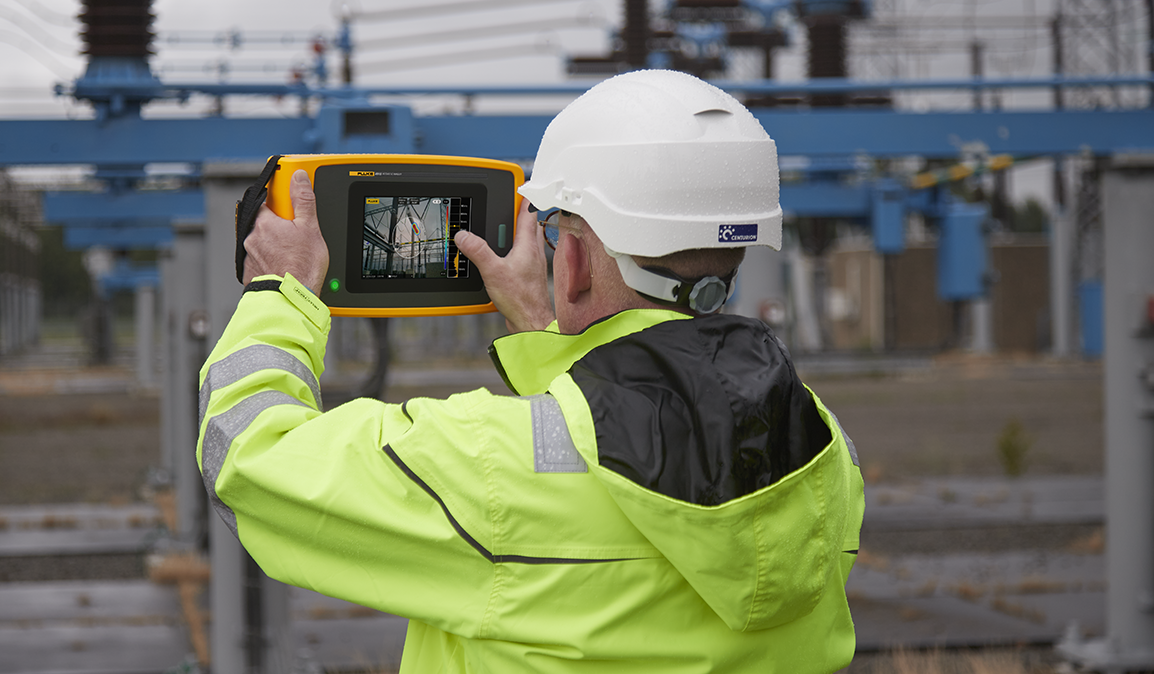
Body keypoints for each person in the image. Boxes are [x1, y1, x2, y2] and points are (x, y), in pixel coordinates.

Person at [199, 69, 864, 673]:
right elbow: (641, 427)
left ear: (568, 263)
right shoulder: (821, 447)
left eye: (553, 233)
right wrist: (545, 333)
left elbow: (248, 458)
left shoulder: (488, 466)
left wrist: (279, 295)